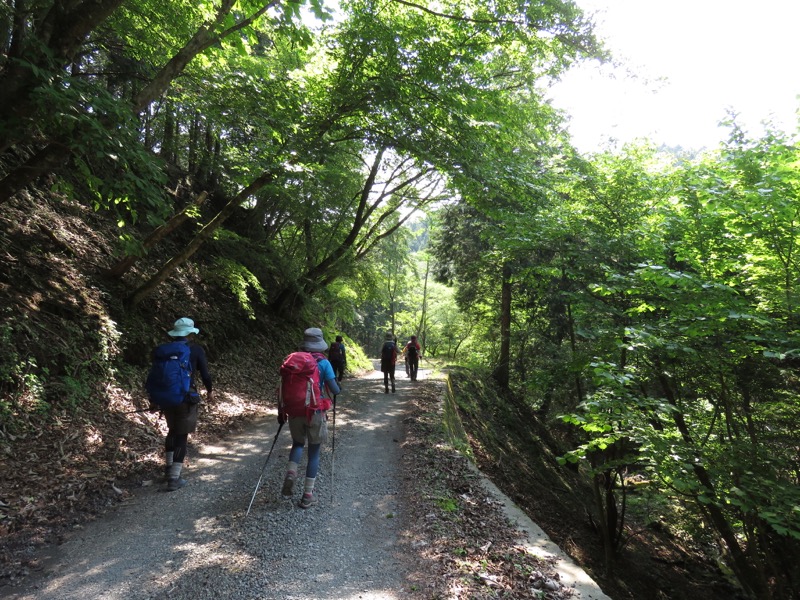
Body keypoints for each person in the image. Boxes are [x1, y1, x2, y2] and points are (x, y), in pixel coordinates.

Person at [279, 327, 340, 508]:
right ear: (320, 344)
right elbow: (334, 389)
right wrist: (338, 389)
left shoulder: (293, 361)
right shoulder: (323, 363)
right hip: (315, 411)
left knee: (298, 444)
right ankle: (307, 495)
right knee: (314, 452)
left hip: (295, 410)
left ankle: (291, 472)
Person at [153, 317, 213, 492]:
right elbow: (205, 375)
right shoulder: (195, 350)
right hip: (185, 398)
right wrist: (209, 390)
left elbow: (155, 376)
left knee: (172, 430)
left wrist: (154, 399)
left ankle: (168, 468)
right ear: (190, 334)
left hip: (165, 396)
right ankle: (174, 477)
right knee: (182, 435)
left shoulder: (163, 350)